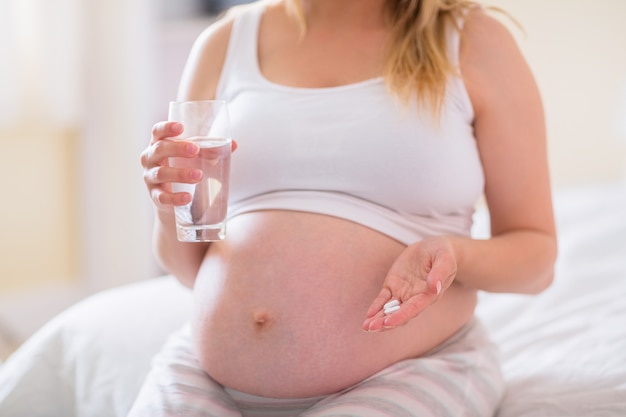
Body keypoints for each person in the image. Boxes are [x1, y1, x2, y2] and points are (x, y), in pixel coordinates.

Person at [133, 0, 557, 415]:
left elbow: (536, 260)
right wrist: (170, 205)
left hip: (409, 372)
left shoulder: (473, 40)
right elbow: (190, 269)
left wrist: (454, 255)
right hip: (206, 377)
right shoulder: (224, 42)